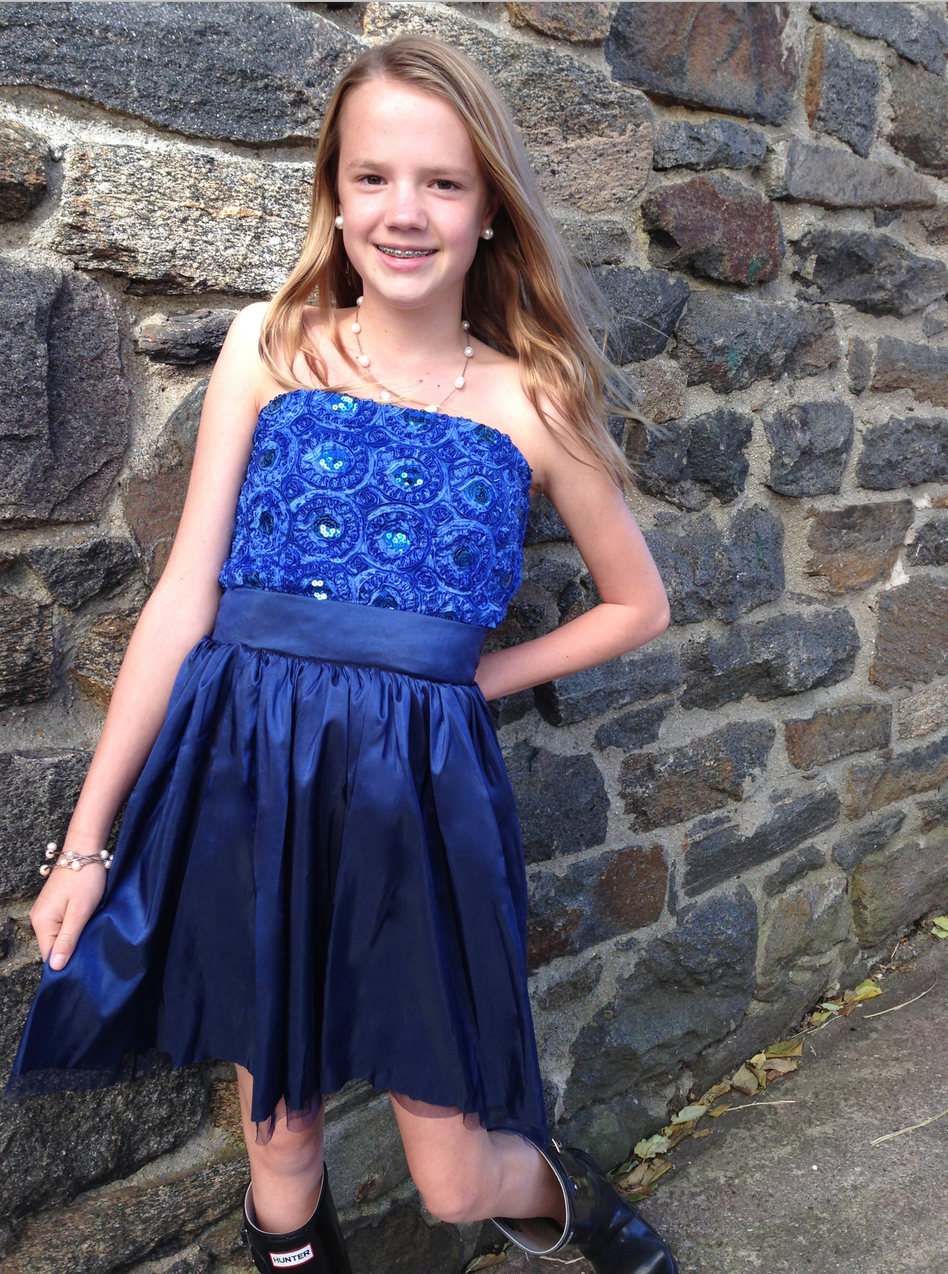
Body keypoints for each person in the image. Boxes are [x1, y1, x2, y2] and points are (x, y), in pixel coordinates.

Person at [8, 34, 677, 1274]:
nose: (402, 212)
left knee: (453, 1176)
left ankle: (569, 1196)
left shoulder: (534, 398)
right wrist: (89, 843)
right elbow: (183, 599)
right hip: (247, 772)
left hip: (414, 800)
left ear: (489, 208)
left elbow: (637, 604)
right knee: (282, 1127)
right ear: (335, 190)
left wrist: (468, 681)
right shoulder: (271, 344)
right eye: (372, 177)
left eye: (442, 182)